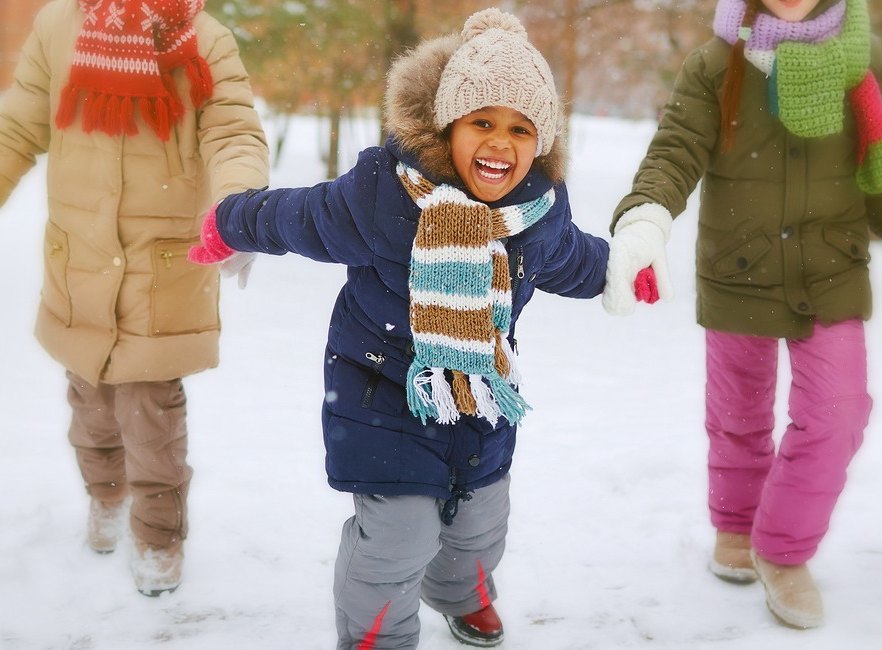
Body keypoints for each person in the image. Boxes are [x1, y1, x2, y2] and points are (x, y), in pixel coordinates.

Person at [188, 8, 608, 648]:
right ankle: (376, 635)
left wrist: (623, 271)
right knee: (397, 535)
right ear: (447, 125)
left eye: (521, 129)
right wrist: (233, 221)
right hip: (380, 389)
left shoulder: (538, 215)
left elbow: (574, 260)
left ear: (541, 144)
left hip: (481, 395)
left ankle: (460, 592)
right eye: (482, 122)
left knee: (481, 521)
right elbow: (301, 216)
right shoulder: (385, 195)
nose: (500, 142)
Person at [603, 0, 882, 630]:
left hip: (832, 266)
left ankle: (781, 548)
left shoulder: (864, 60)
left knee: (839, 413)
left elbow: (878, 167)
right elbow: (675, 151)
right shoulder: (716, 63)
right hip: (739, 266)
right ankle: (734, 523)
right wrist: (646, 215)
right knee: (738, 415)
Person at [0, 0, 269, 596]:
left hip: (160, 267)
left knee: (152, 423)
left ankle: (157, 536)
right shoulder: (58, 26)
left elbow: (232, 132)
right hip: (80, 260)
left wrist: (238, 208)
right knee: (89, 409)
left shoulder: (203, 38)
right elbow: (17, 124)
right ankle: (106, 498)